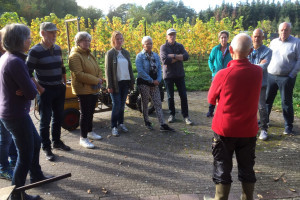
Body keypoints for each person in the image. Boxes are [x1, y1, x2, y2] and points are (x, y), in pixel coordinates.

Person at [207, 33, 262, 200]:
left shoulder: (222, 75)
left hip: (225, 129)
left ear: (230, 50)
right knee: (247, 167)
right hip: (248, 130)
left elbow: (211, 99)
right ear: (251, 51)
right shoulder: (258, 72)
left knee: (223, 166)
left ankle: (220, 198)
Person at [0, 23, 51, 200]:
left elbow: (26, 89)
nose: (30, 40)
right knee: (24, 155)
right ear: (20, 40)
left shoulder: (8, 57)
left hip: (14, 112)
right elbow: (30, 93)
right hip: (15, 115)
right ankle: (18, 196)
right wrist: (27, 87)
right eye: (28, 37)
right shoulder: (16, 61)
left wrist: (25, 87)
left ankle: (36, 175)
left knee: (35, 142)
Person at [27, 22, 70, 161]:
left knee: (58, 117)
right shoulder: (35, 51)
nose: (54, 35)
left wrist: (64, 81)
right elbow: (27, 72)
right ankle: (46, 148)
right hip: (45, 90)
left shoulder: (57, 48)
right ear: (42, 33)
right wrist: (40, 89)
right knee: (45, 120)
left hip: (59, 88)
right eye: (51, 32)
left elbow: (62, 65)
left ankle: (56, 142)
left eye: (55, 32)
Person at [69, 32, 103, 149]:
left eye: (89, 40)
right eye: (84, 40)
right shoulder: (75, 56)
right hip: (83, 89)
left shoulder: (89, 54)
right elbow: (79, 75)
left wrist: (99, 77)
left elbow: (98, 68)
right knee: (85, 113)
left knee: (91, 112)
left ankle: (90, 131)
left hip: (93, 88)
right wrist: (96, 80)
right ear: (78, 42)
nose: (87, 43)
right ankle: (83, 138)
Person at [266, 22, 300, 135]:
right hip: (271, 76)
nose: (283, 32)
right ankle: (264, 122)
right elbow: (268, 56)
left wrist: (291, 75)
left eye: (286, 30)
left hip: (286, 77)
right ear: (278, 30)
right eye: (281, 30)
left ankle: (288, 126)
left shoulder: (296, 42)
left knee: (286, 102)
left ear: (290, 30)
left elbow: (299, 60)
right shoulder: (273, 42)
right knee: (267, 100)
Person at [136, 36, 175, 132]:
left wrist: (158, 79)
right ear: (143, 45)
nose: (149, 45)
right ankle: (147, 121)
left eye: (151, 43)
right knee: (145, 103)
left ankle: (162, 123)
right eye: (147, 43)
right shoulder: (139, 56)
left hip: (155, 83)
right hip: (144, 82)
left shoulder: (155, 55)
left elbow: (159, 69)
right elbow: (140, 71)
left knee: (157, 102)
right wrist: (151, 80)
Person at [160, 28, 193, 125]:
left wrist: (173, 55)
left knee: (183, 95)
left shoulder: (180, 46)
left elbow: (186, 57)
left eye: (173, 34)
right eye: (170, 35)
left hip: (179, 74)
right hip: (168, 75)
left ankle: (186, 116)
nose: (172, 36)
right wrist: (179, 57)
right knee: (170, 97)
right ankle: (172, 114)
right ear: (167, 36)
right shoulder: (163, 47)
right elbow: (165, 61)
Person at [105, 31, 135, 137]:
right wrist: (109, 86)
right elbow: (108, 71)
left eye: (121, 38)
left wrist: (132, 81)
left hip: (125, 83)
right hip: (115, 84)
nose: (119, 40)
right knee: (116, 105)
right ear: (113, 40)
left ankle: (121, 123)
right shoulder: (110, 53)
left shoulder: (126, 53)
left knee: (122, 105)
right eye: (117, 39)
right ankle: (114, 126)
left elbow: (129, 68)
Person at [0, 30, 18, 181]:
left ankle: (13, 160)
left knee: (9, 135)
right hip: (3, 103)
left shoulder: (6, 56)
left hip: (6, 102)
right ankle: (3, 168)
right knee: (5, 137)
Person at [248, 29, 272, 141]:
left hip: (260, 84)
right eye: (255, 36)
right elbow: (244, 63)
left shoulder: (267, 51)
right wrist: (257, 65)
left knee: (262, 107)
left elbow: (263, 67)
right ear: (252, 37)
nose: (256, 38)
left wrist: (249, 67)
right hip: (248, 83)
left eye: (259, 36)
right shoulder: (248, 49)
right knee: (247, 106)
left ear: (263, 37)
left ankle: (263, 129)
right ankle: (249, 126)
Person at [207, 30, 232, 117]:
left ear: (228, 39)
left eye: (225, 37)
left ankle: (222, 111)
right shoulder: (215, 49)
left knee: (225, 93)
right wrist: (213, 69)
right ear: (219, 39)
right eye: (222, 37)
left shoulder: (231, 49)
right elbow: (210, 60)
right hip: (216, 74)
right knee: (214, 93)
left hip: (228, 74)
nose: (223, 39)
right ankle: (210, 111)